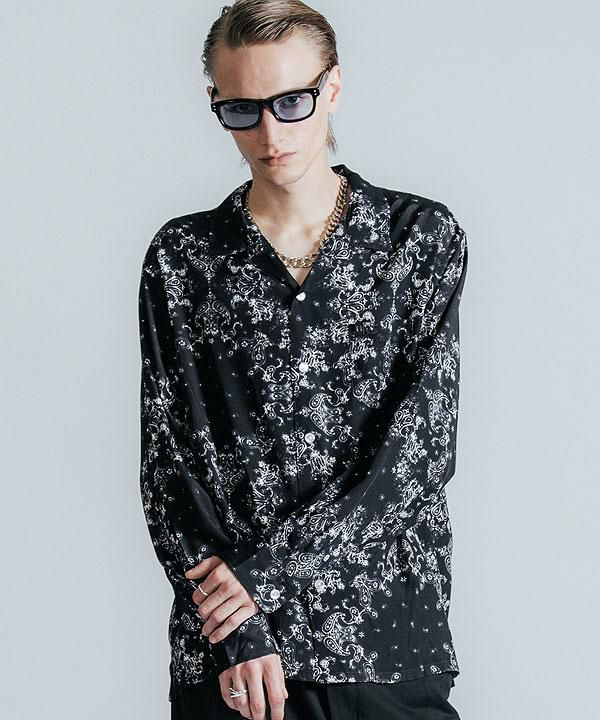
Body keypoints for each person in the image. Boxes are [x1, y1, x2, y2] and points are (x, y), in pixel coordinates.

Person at [138, 1, 469, 718]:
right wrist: (240, 626)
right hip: (232, 657)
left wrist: (263, 577)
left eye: (292, 102)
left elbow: (417, 454)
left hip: (382, 641)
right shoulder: (183, 258)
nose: (270, 133)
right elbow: (170, 471)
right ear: (215, 103)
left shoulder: (417, 238)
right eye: (242, 110)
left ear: (333, 87)